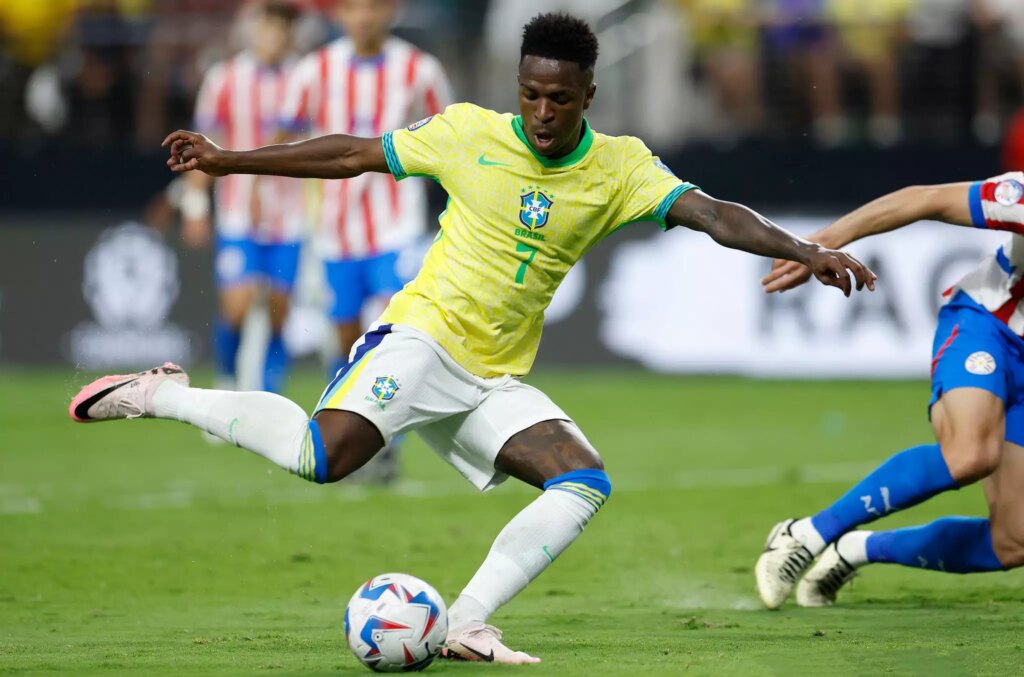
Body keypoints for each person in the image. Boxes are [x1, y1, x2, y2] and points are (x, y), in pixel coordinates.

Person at [70, 12, 873, 664]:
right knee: (323, 458)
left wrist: (804, 248)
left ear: (589, 94)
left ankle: (464, 622)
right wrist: (230, 161)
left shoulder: (621, 168)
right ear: (516, 87)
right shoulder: (468, 133)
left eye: (560, 99)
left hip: (492, 373)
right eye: (530, 95)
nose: (542, 113)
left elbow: (714, 214)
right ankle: (164, 394)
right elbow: (352, 153)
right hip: (422, 337)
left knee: (582, 482)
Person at [756, 172, 1024, 609]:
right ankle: (804, 535)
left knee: (1014, 540)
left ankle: (857, 549)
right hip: (988, 325)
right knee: (970, 454)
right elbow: (926, 198)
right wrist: (822, 244)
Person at [277, 0, 452, 482]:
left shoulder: (419, 69)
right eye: (355, 7)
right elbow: (287, 136)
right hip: (335, 230)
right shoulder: (314, 70)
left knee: (395, 332)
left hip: (396, 224)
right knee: (345, 336)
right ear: (340, 14)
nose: (365, 17)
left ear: (391, 11)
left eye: (374, 6)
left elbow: (450, 139)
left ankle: (389, 444)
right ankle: (351, 436)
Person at [183, 1, 306, 394]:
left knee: (279, 311)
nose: (276, 36)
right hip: (238, 212)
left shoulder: (304, 78)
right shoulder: (224, 78)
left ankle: (270, 392)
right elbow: (202, 146)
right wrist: (195, 205)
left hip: (291, 214)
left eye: (284, 28)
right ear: (254, 29)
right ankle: (227, 377)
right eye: (270, 26)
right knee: (237, 305)